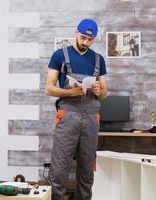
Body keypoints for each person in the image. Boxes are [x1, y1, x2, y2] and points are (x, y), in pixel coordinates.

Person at [45, 18, 108, 200]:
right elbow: (49, 88)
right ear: (75, 32)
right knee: (59, 170)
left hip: (91, 119)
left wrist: (98, 90)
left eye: (90, 39)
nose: (85, 42)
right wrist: (70, 92)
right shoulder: (60, 55)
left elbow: (104, 93)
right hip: (68, 117)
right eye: (83, 37)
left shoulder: (98, 59)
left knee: (87, 171)